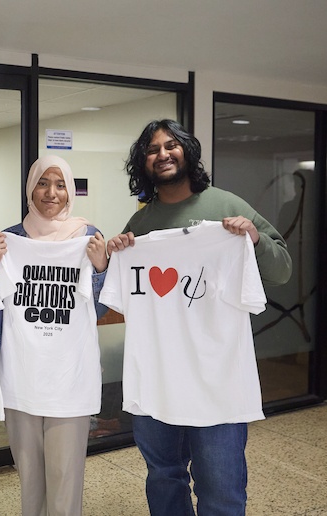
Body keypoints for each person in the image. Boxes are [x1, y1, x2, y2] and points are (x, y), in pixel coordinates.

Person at [105, 119, 292, 515]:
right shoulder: (139, 226)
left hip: (216, 380)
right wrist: (112, 256)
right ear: (143, 163)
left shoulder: (226, 207)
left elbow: (281, 271)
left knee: (221, 487)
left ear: (187, 151)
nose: (162, 154)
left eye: (170, 145)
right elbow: (117, 298)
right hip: (156, 380)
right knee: (163, 477)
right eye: (152, 150)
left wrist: (253, 238)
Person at [0, 155, 108, 516]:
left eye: (60, 184)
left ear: (70, 192)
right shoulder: (8, 241)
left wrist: (101, 268)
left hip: (69, 380)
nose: (51, 192)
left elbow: (100, 309)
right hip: (20, 379)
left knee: (64, 479)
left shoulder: (88, 238)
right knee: (30, 480)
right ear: (30, 189)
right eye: (42, 183)